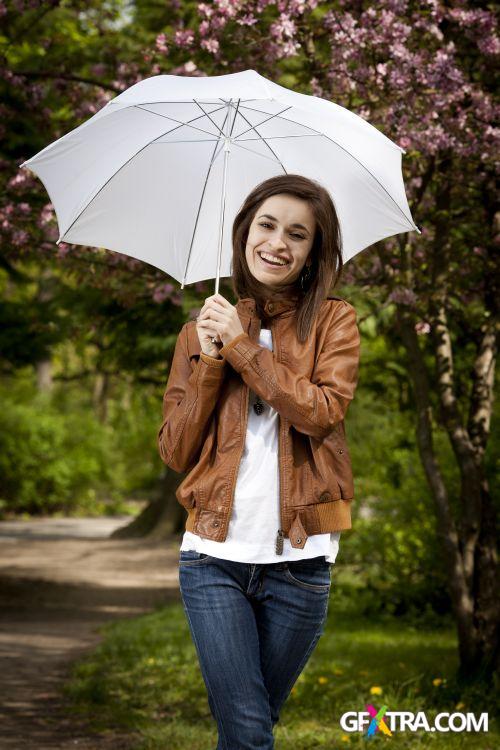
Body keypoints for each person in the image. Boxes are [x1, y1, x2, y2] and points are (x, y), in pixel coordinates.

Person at [158, 174, 361, 749]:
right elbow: (175, 451)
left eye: (297, 234)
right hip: (212, 558)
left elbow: (322, 412)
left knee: (247, 731)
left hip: (302, 557)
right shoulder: (198, 334)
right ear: (245, 230)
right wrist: (212, 360)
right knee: (248, 733)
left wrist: (245, 351)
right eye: (267, 225)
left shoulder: (333, 322)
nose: (277, 242)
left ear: (312, 252)